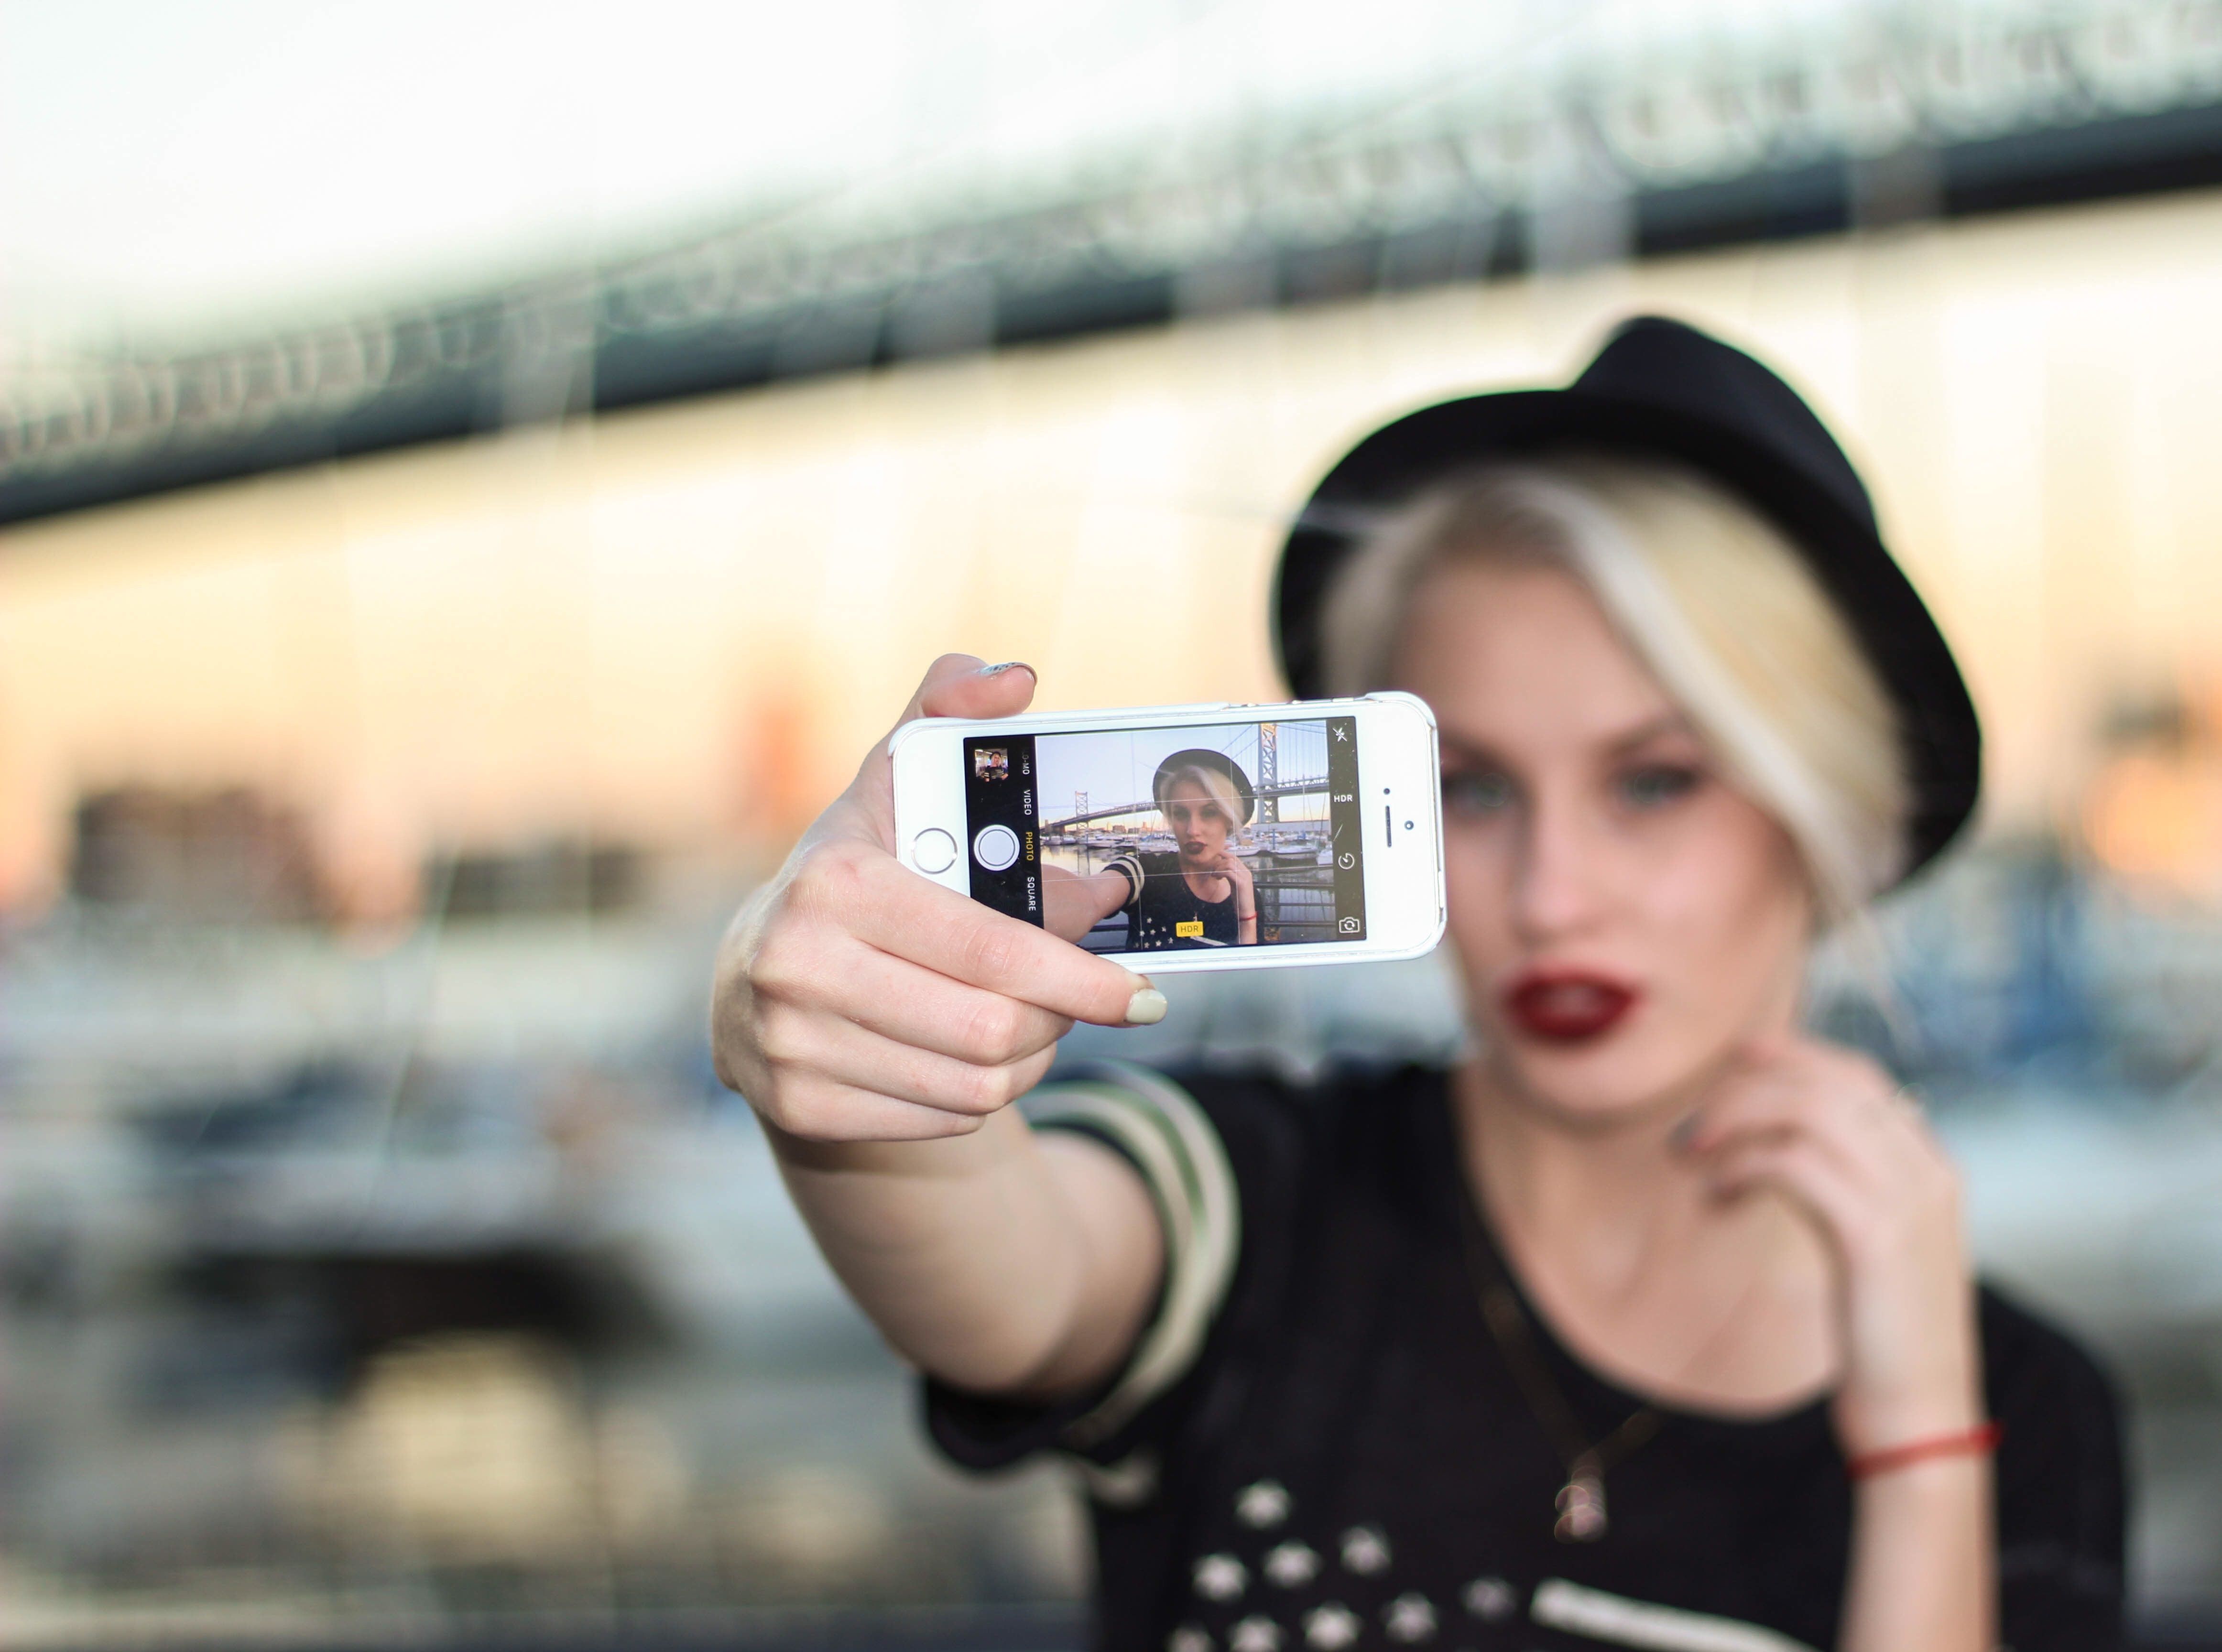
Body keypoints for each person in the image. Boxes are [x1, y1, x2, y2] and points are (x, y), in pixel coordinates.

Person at [710, 317, 2127, 1652]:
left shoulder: (2026, 1405)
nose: (1553, 896)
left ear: (1836, 821)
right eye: (1471, 789)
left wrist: (1927, 1447)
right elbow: (1014, 1272)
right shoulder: (1260, 1202)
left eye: (1655, 782)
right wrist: (859, 1097)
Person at [1047, 750, 1262, 950]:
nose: (1192, 830)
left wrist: (1246, 917)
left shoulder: (1249, 893)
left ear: (1229, 821)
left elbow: (1250, 980)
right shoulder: (1145, 871)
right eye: (1180, 814)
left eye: (1209, 813)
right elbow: (1090, 898)